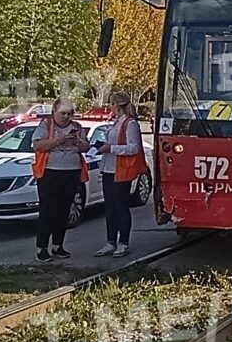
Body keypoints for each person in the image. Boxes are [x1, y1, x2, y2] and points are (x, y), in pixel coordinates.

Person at [31, 98, 90, 262]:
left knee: (64, 209)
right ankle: (42, 247)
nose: (66, 117)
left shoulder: (76, 127)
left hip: (71, 171)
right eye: (63, 113)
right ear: (54, 113)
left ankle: (58, 245)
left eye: (69, 113)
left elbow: (86, 146)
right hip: (49, 171)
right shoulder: (46, 125)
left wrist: (77, 141)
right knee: (47, 209)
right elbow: (37, 146)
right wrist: (59, 140)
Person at [93, 92, 148, 257]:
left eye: (111, 104)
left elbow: (133, 148)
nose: (109, 107)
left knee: (121, 206)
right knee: (109, 207)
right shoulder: (115, 122)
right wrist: (106, 146)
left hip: (121, 170)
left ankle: (123, 242)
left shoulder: (130, 124)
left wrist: (111, 148)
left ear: (116, 105)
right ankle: (110, 241)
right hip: (108, 168)